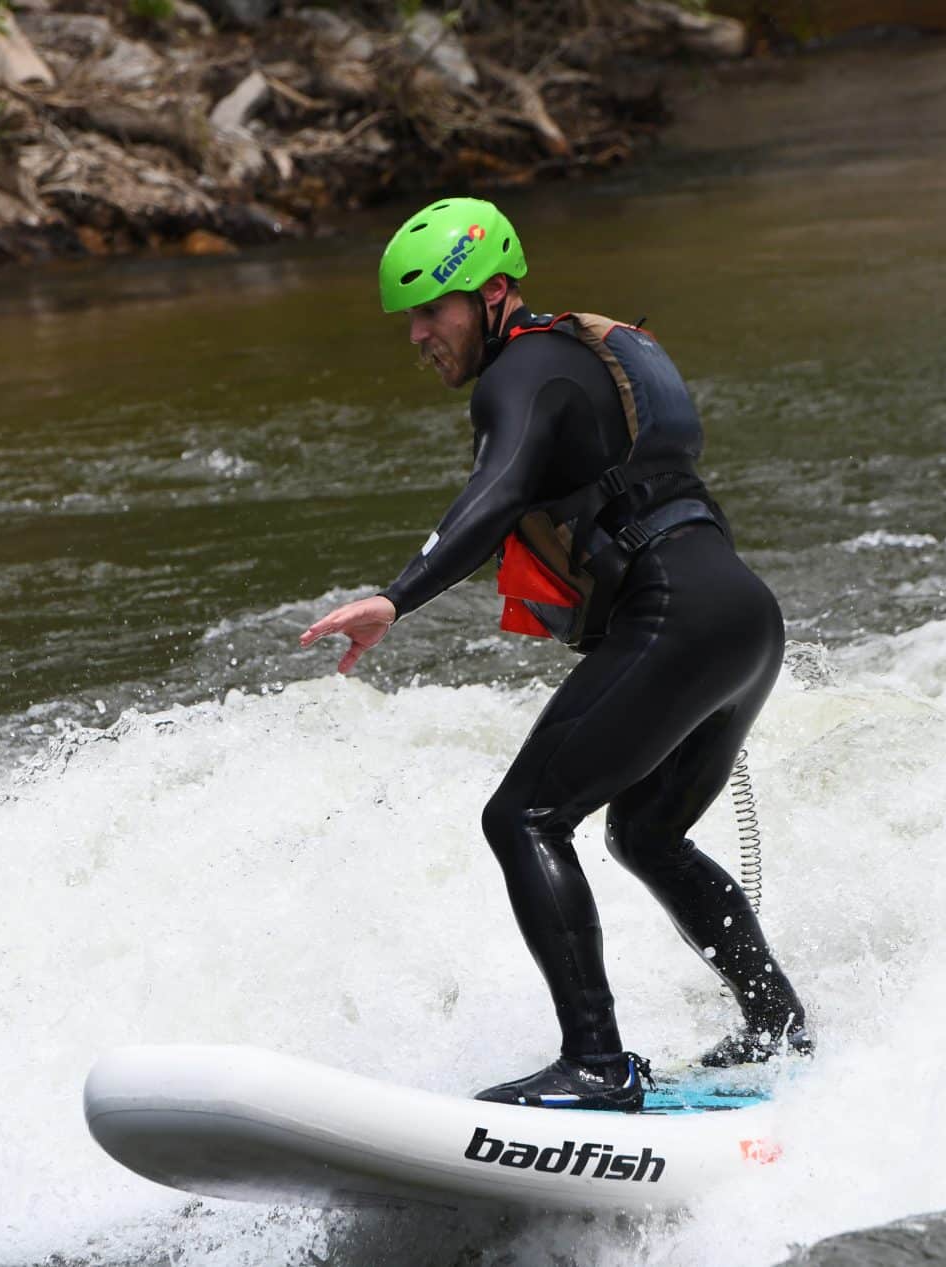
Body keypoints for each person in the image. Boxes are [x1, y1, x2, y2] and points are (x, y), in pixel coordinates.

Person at [299, 196, 810, 1113]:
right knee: (644, 832)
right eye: (409, 316)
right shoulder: (575, 355)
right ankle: (778, 1024)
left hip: (680, 615)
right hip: (744, 617)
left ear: (493, 293)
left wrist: (397, 595)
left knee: (523, 817)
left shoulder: (521, 373)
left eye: (433, 309)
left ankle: (598, 1066)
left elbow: (497, 491)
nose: (417, 334)